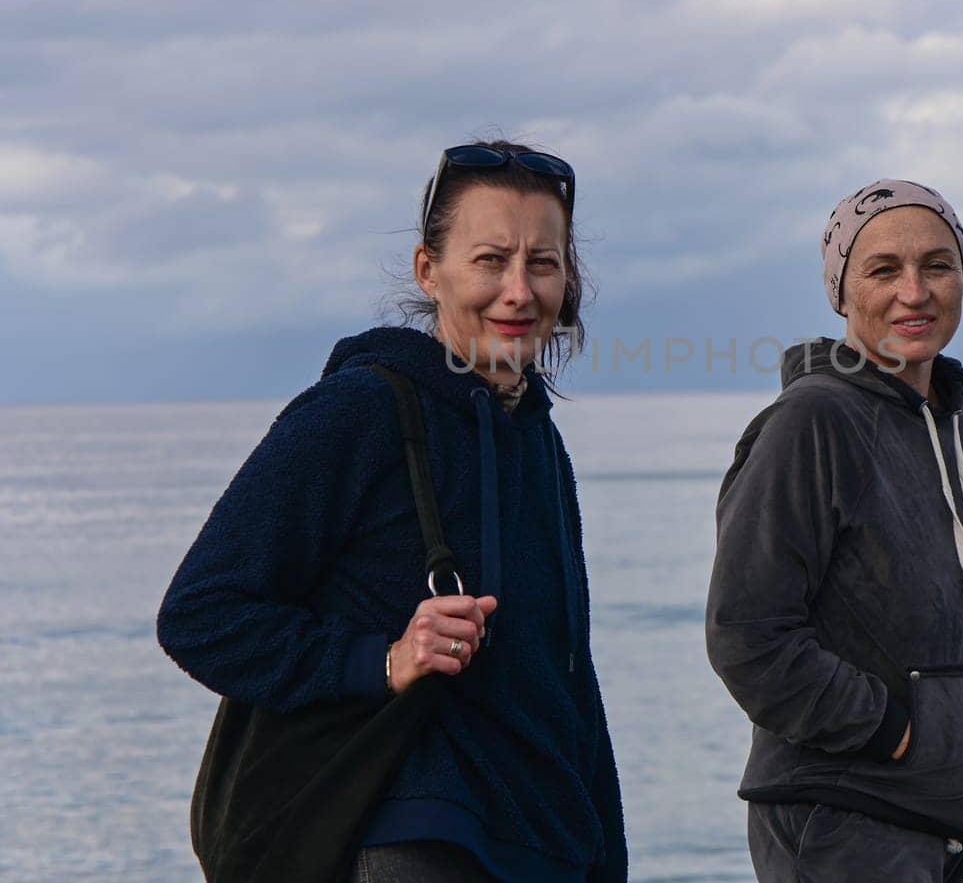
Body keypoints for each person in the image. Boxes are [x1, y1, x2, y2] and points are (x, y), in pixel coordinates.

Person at [157, 141, 627, 883]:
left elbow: (568, 674)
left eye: (543, 262)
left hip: (546, 844)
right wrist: (380, 658)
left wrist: (604, 857)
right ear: (427, 270)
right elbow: (201, 614)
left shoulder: (539, 442)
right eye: (489, 260)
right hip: (416, 833)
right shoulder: (361, 410)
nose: (518, 290)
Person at [706, 178, 963, 882]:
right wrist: (895, 731)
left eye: (937, 264)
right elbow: (748, 634)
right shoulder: (809, 422)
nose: (915, 291)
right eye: (884, 269)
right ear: (841, 291)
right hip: (849, 825)